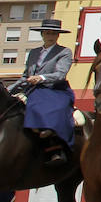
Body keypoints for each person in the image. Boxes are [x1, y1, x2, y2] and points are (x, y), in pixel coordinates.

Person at [17, 17, 76, 168]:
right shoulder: (33, 52)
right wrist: (12, 88)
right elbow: (26, 74)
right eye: (47, 33)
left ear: (58, 36)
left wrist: (41, 78)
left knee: (45, 106)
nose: (50, 36)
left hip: (55, 89)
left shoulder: (64, 52)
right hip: (31, 88)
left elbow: (60, 74)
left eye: (54, 34)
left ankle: (53, 143)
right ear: (42, 34)